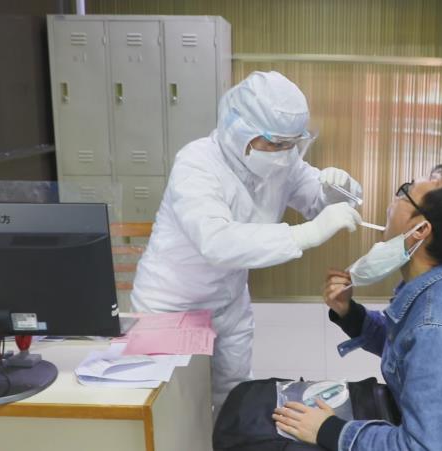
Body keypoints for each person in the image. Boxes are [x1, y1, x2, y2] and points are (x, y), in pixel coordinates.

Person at [131, 71, 364, 411]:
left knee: (232, 396)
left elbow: (316, 200)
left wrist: (337, 190)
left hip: (228, 302)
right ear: (237, 129)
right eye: (274, 143)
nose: (283, 153)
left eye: (291, 143)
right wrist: (305, 234)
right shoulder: (197, 163)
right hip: (172, 303)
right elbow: (216, 242)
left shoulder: (283, 160)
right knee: (173, 410)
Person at [273, 164, 442, 450]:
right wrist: (350, 314)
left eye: (405, 192)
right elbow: (405, 347)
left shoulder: (439, 330)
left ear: (421, 230)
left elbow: (421, 447)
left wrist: (330, 430)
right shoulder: (440, 281)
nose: (394, 199)